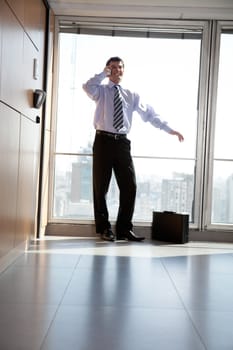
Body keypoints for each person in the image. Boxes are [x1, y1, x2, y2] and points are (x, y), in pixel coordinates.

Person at [83, 56, 184, 242]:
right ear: (107, 69)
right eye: (112, 67)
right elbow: (87, 87)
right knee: (101, 187)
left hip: (122, 143)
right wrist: (102, 74)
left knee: (130, 186)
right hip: (103, 141)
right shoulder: (100, 91)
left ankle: (123, 229)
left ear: (123, 70)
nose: (116, 70)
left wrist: (170, 130)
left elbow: (150, 115)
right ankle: (105, 229)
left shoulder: (131, 94)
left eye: (120, 67)